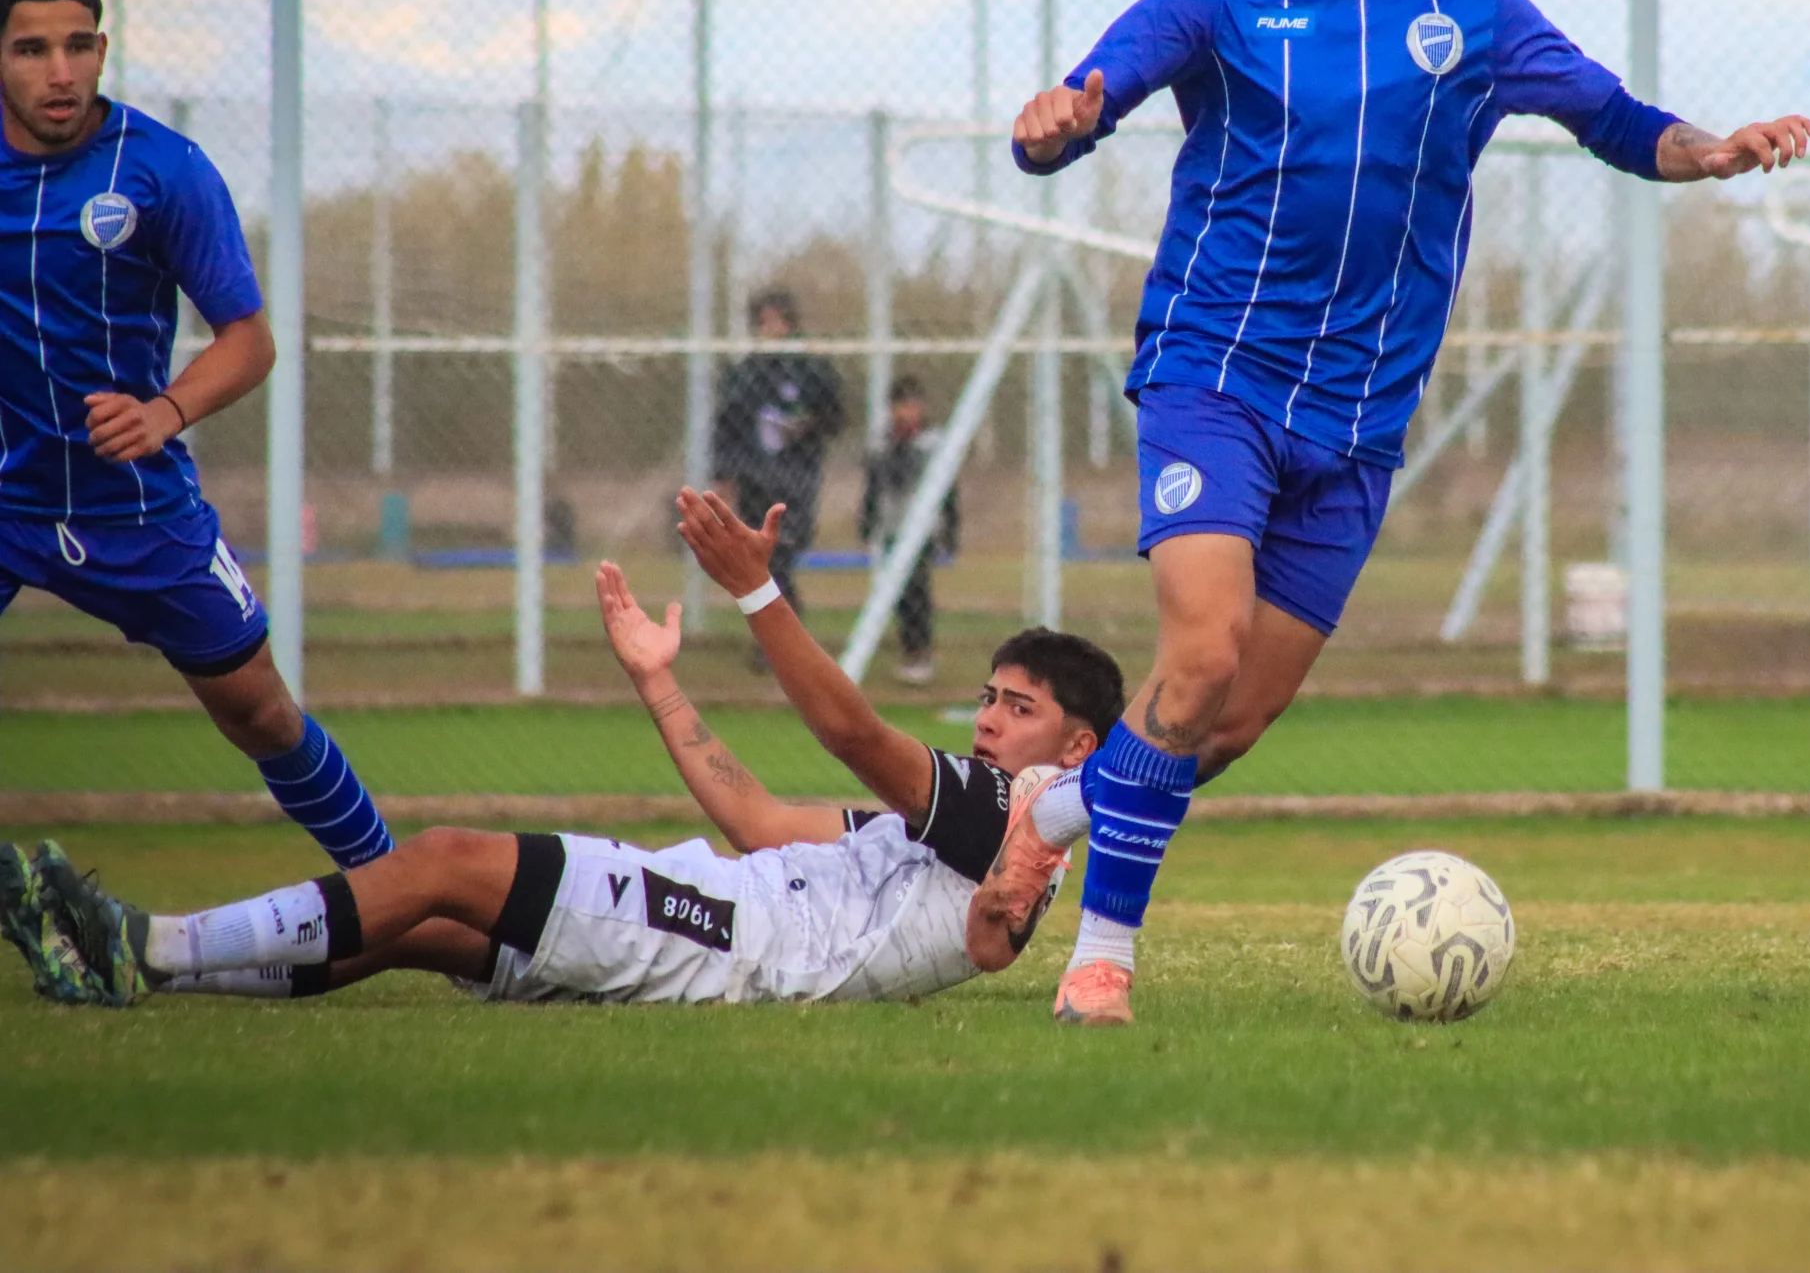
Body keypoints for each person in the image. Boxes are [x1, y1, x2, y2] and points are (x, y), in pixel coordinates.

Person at [1007, 0, 1810, 1024]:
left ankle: (1047, 812)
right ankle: (1103, 960)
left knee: (1223, 726)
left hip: (1361, 421)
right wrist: (1054, 117)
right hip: (1214, 376)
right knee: (1200, 653)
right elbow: (1084, 96)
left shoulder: (1469, 7)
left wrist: (1709, 151)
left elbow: (1608, 118)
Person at [6, 488, 1120, 1009]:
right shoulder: (976, 830)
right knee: (423, 925)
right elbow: (759, 822)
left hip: (729, 941)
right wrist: (658, 681)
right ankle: (137, 969)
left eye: (1014, 706)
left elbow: (850, 731)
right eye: (986, 695)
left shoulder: (1003, 815)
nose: (984, 717)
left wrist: (759, 589)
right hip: (721, 906)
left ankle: (142, 945)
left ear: (1080, 743)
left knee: (444, 857)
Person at [0, 0, 392, 870]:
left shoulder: (164, 170)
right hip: (8, 495)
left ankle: (403, 897)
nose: (58, 71)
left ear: (101, 50)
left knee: (262, 713)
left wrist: (164, 413)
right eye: (29, 49)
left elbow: (249, 339)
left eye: (77, 46)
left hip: (137, 509)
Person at [712, 287, 846, 653]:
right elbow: (726, 426)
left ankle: (781, 637)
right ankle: (778, 639)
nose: (770, 328)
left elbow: (836, 417)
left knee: (784, 552)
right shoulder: (745, 374)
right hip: (755, 479)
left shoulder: (811, 369)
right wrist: (723, 475)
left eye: (776, 320)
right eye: (763, 321)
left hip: (797, 480)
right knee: (763, 558)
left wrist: (806, 424)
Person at [860, 373, 960, 685]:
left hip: (922, 528)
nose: (906, 412)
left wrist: (950, 529)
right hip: (893, 525)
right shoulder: (882, 442)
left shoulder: (933, 442)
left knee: (917, 589)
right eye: (900, 406)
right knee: (898, 593)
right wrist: (868, 521)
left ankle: (921, 652)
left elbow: (949, 491)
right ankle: (909, 650)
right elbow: (874, 487)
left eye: (912, 406)